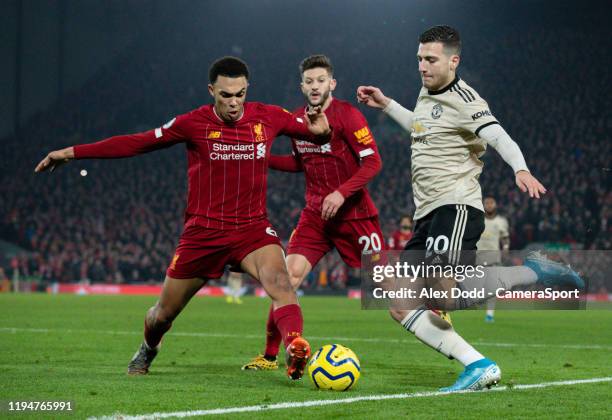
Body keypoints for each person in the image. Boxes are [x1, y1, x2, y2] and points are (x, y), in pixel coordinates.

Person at [35, 56, 332, 381]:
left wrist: (322, 132)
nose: (234, 103)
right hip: (203, 235)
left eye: (240, 94)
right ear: (211, 91)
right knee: (162, 315)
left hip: (252, 230)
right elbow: (138, 143)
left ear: (248, 89)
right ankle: (148, 348)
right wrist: (72, 152)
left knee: (282, 284)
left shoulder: (270, 117)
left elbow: (317, 135)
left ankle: (294, 347)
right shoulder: (193, 123)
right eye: (225, 95)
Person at [357, 25, 583, 391]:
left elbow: (499, 136)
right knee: (400, 302)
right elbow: (420, 127)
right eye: (419, 59)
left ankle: (532, 273)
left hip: (456, 206)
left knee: (440, 293)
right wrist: (386, 105)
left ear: (453, 61)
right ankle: (477, 364)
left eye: (430, 59)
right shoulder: (427, 92)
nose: (422, 66)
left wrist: (520, 168)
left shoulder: (466, 99)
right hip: (426, 215)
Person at [241, 54, 385, 371]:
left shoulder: (347, 115)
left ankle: (431, 304)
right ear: (302, 86)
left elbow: (373, 162)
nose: (315, 86)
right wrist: (262, 159)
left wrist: (341, 192)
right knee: (284, 278)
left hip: (355, 217)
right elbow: (298, 163)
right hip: (315, 216)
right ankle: (271, 356)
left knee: (385, 287)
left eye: (321, 80)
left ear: (332, 83)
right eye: (309, 81)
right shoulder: (296, 120)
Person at [476, 197, 510, 323]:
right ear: (483, 205)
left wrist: (506, 248)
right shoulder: (477, 220)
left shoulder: (501, 221)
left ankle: (489, 314)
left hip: (494, 258)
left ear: (495, 205)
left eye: (491, 203)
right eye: (487, 203)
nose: (489, 205)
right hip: (478, 258)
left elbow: (505, 237)